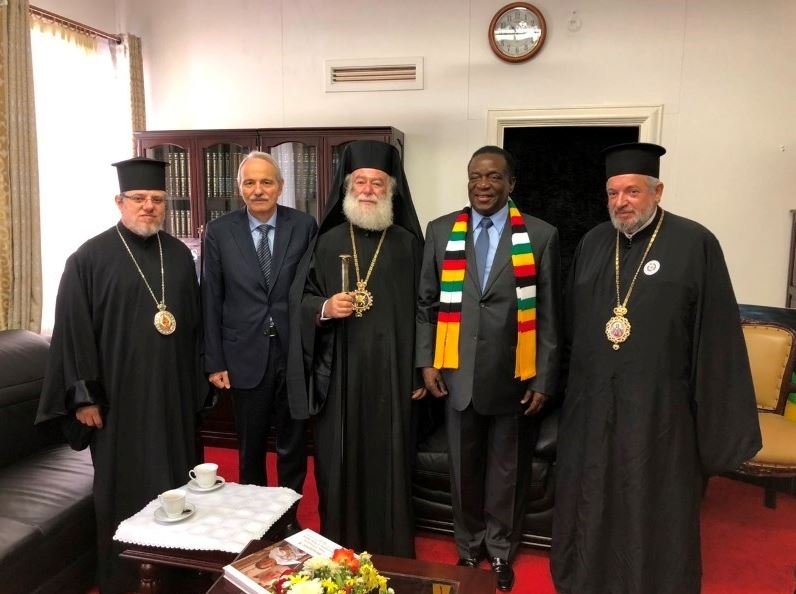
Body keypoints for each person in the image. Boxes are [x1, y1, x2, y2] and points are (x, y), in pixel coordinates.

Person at [551, 142, 762, 594]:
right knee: (592, 491)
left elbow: (716, 335)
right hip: (594, 404)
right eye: (612, 193)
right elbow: (571, 326)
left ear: (657, 191)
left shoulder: (695, 243)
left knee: (652, 495)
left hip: (660, 409)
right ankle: (587, 577)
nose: (621, 203)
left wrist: (712, 421)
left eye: (632, 191)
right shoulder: (592, 243)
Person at [36, 157, 205, 594]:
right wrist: (84, 396)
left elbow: (194, 326)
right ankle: (124, 580)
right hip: (117, 402)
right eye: (139, 198)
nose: (149, 206)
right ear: (119, 201)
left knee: (179, 482)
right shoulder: (88, 258)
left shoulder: (179, 256)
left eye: (158, 199)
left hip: (173, 396)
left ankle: (179, 574)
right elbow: (73, 332)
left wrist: (198, 386)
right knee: (123, 489)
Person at [416, 146, 561, 592]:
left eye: (494, 177)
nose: (483, 185)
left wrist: (543, 376)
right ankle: (467, 546)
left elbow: (551, 314)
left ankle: (500, 550)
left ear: (510, 184)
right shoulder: (440, 230)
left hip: (513, 375)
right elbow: (426, 303)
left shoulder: (541, 235)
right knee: (463, 468)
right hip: (456, 372)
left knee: (507, 470)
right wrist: (427, 360)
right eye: (476, 176)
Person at [287, 140, 425, 557]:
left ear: (391, 190)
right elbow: (300, 299)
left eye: (377, 183)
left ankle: (392, 548)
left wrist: (419, 369)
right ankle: (339, 544)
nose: (367, 190)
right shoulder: (327, 242)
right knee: (338, 460)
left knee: (391, 460)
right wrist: (325, 307)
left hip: (393, 373)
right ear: (347, 188)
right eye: (360, 182)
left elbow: (427, 310)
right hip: (340, 374)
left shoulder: (408, 244)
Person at [203, 151, 317, 533]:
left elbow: (312, 287)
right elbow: (210, 298)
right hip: (243, 354)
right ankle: (256, 520)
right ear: (239, 188)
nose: (258, 190)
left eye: (266, 182)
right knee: (250, 446)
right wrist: (215, 361)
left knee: (293, 444)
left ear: (280, 186)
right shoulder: (219, 231)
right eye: (249, 182)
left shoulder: (304, 226)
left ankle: (288, 518)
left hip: (293, 351)